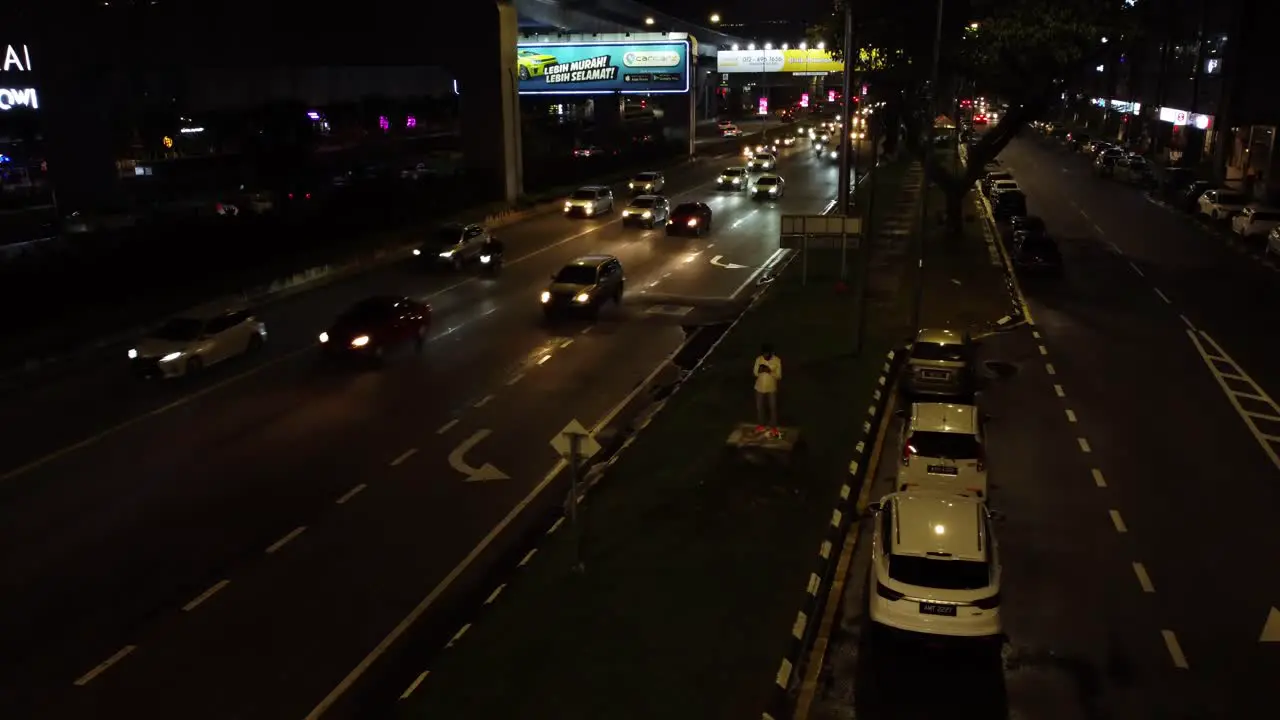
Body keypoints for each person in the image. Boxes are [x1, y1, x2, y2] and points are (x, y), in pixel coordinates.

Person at [753, 342, 782, 437]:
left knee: (772, 408)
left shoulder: (777, 360)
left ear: (771, 353)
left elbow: (779, 376)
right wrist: (759, 371)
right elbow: (755, 373)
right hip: (759, 387)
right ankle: (761, 425)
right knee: (759, 407)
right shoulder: (759, 359)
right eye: (764, 354)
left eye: (767, 354)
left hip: (771, 388)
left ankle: (773, 427)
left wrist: (770, 371)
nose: (765, 356)